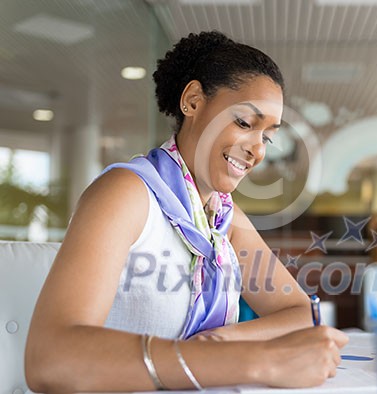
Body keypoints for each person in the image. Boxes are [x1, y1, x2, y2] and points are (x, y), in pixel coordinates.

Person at [25, 31, 348, 392]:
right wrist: (256, 361)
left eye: (267, 137)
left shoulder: (223, 218)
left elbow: (303, 315)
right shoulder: (125, 194)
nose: (258, 151)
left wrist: (219, 343)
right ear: (193, 101)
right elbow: (49, 359)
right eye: (244, 123)